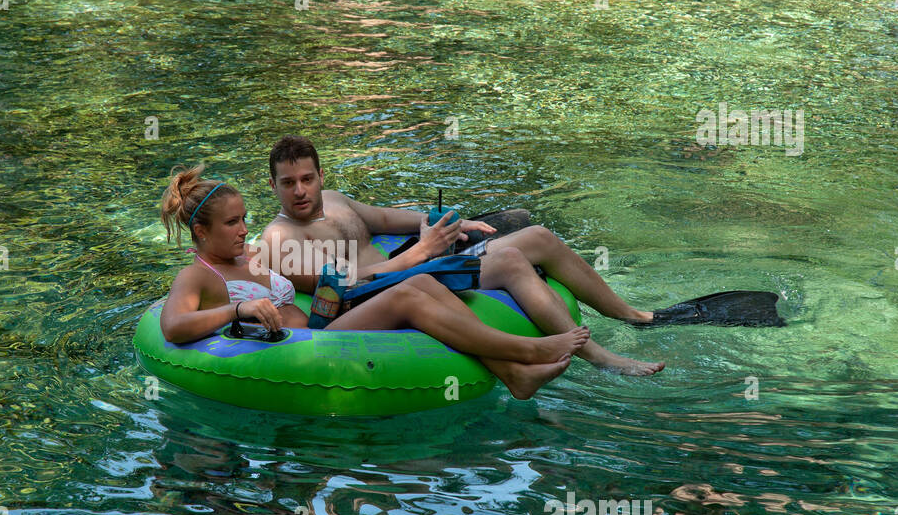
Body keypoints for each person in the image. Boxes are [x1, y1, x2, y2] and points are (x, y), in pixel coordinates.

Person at [157, 164, 591, 400]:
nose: (242, 229)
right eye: (233, 223)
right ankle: (526, 351)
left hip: (323, 323)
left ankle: (514, 373)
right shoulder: (199, 274)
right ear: (201, 233)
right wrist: (239, 309)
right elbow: (173, 327)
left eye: (245, 218)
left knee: (421, 283)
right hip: (307, 346)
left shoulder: (250, 255)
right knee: (407, 292)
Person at [259, 135, 666, 376]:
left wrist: (455, 224)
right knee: (507, 262)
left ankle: (633, 315)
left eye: (307, 179)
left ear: (321, 176)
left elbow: (383, 217)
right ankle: (598, 356)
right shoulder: (279, 238)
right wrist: (422, 252)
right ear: (274, 186)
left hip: (412, 259)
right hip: (378, 287)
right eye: (288, 182)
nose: (300, 191)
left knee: (537, 236)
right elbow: (343, 284)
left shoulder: (333, 199)